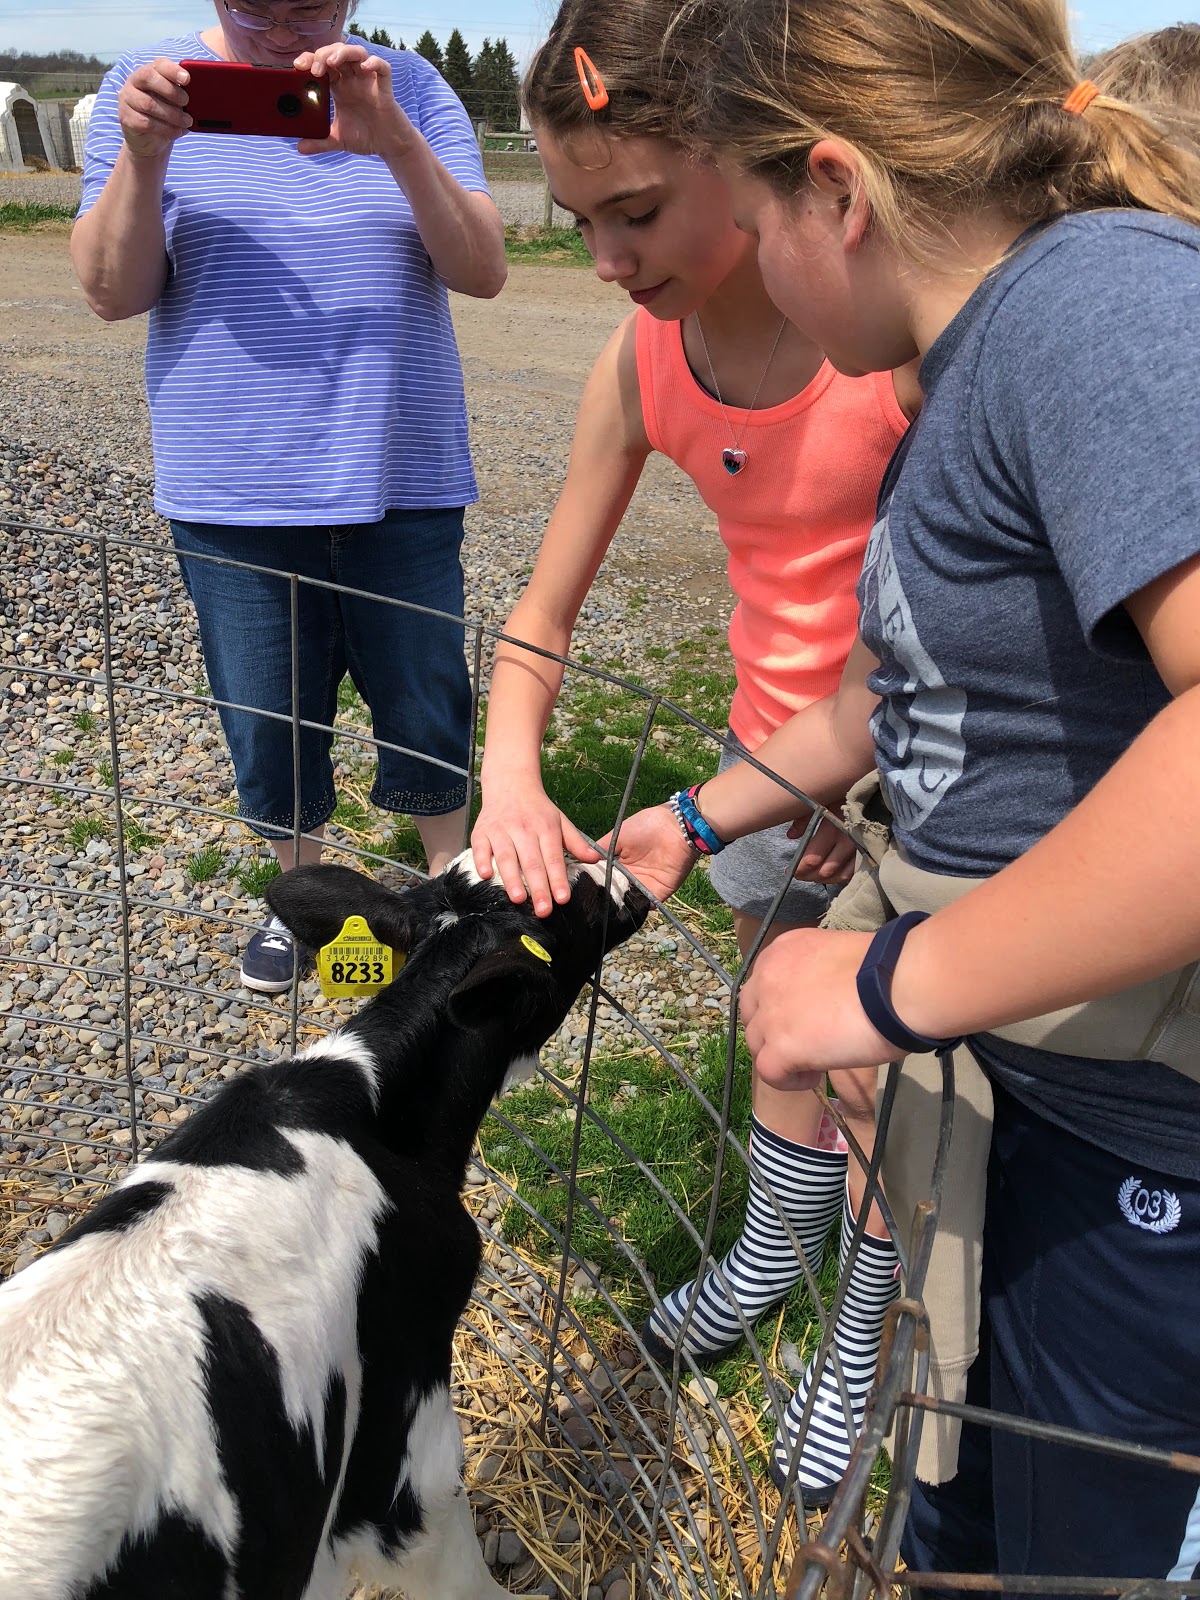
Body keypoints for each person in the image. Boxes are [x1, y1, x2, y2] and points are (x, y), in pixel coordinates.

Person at [602, 0, 1200, 1580]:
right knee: (965, 1521)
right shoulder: (977, 356)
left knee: (1076, 1555)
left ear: (839, 191)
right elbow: (911, 679)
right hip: (1031, 1101)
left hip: (1143, 1153)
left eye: (749, 218)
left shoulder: (1096, 315)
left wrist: (886, 983)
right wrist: (700, 812)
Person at [469, 0, 920, 1503]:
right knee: (774, 1023)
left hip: (898, 767)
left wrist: (852, 784)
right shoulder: (641, 357)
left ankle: (863, 1328)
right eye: (578, 218)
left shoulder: (888, 335)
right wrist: (510, 775)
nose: (605, 259)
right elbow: (540, 607)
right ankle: (763, 1257)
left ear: (744, 149)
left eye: (639, 211)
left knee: (878, 1087)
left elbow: (929, 629)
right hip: (755, 767)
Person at [72, 1, 507, 993]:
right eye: (249, 4)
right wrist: (144, 155)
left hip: (400, 470)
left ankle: (453, 888)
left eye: (304, 3)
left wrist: (392, 140)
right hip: (233, 487)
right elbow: (110, 290)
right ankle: (303, 905)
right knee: (267, 716)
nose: (274, 24)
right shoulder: (143, 88)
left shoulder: (413, 90)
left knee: (427, 695)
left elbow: (481, 269)